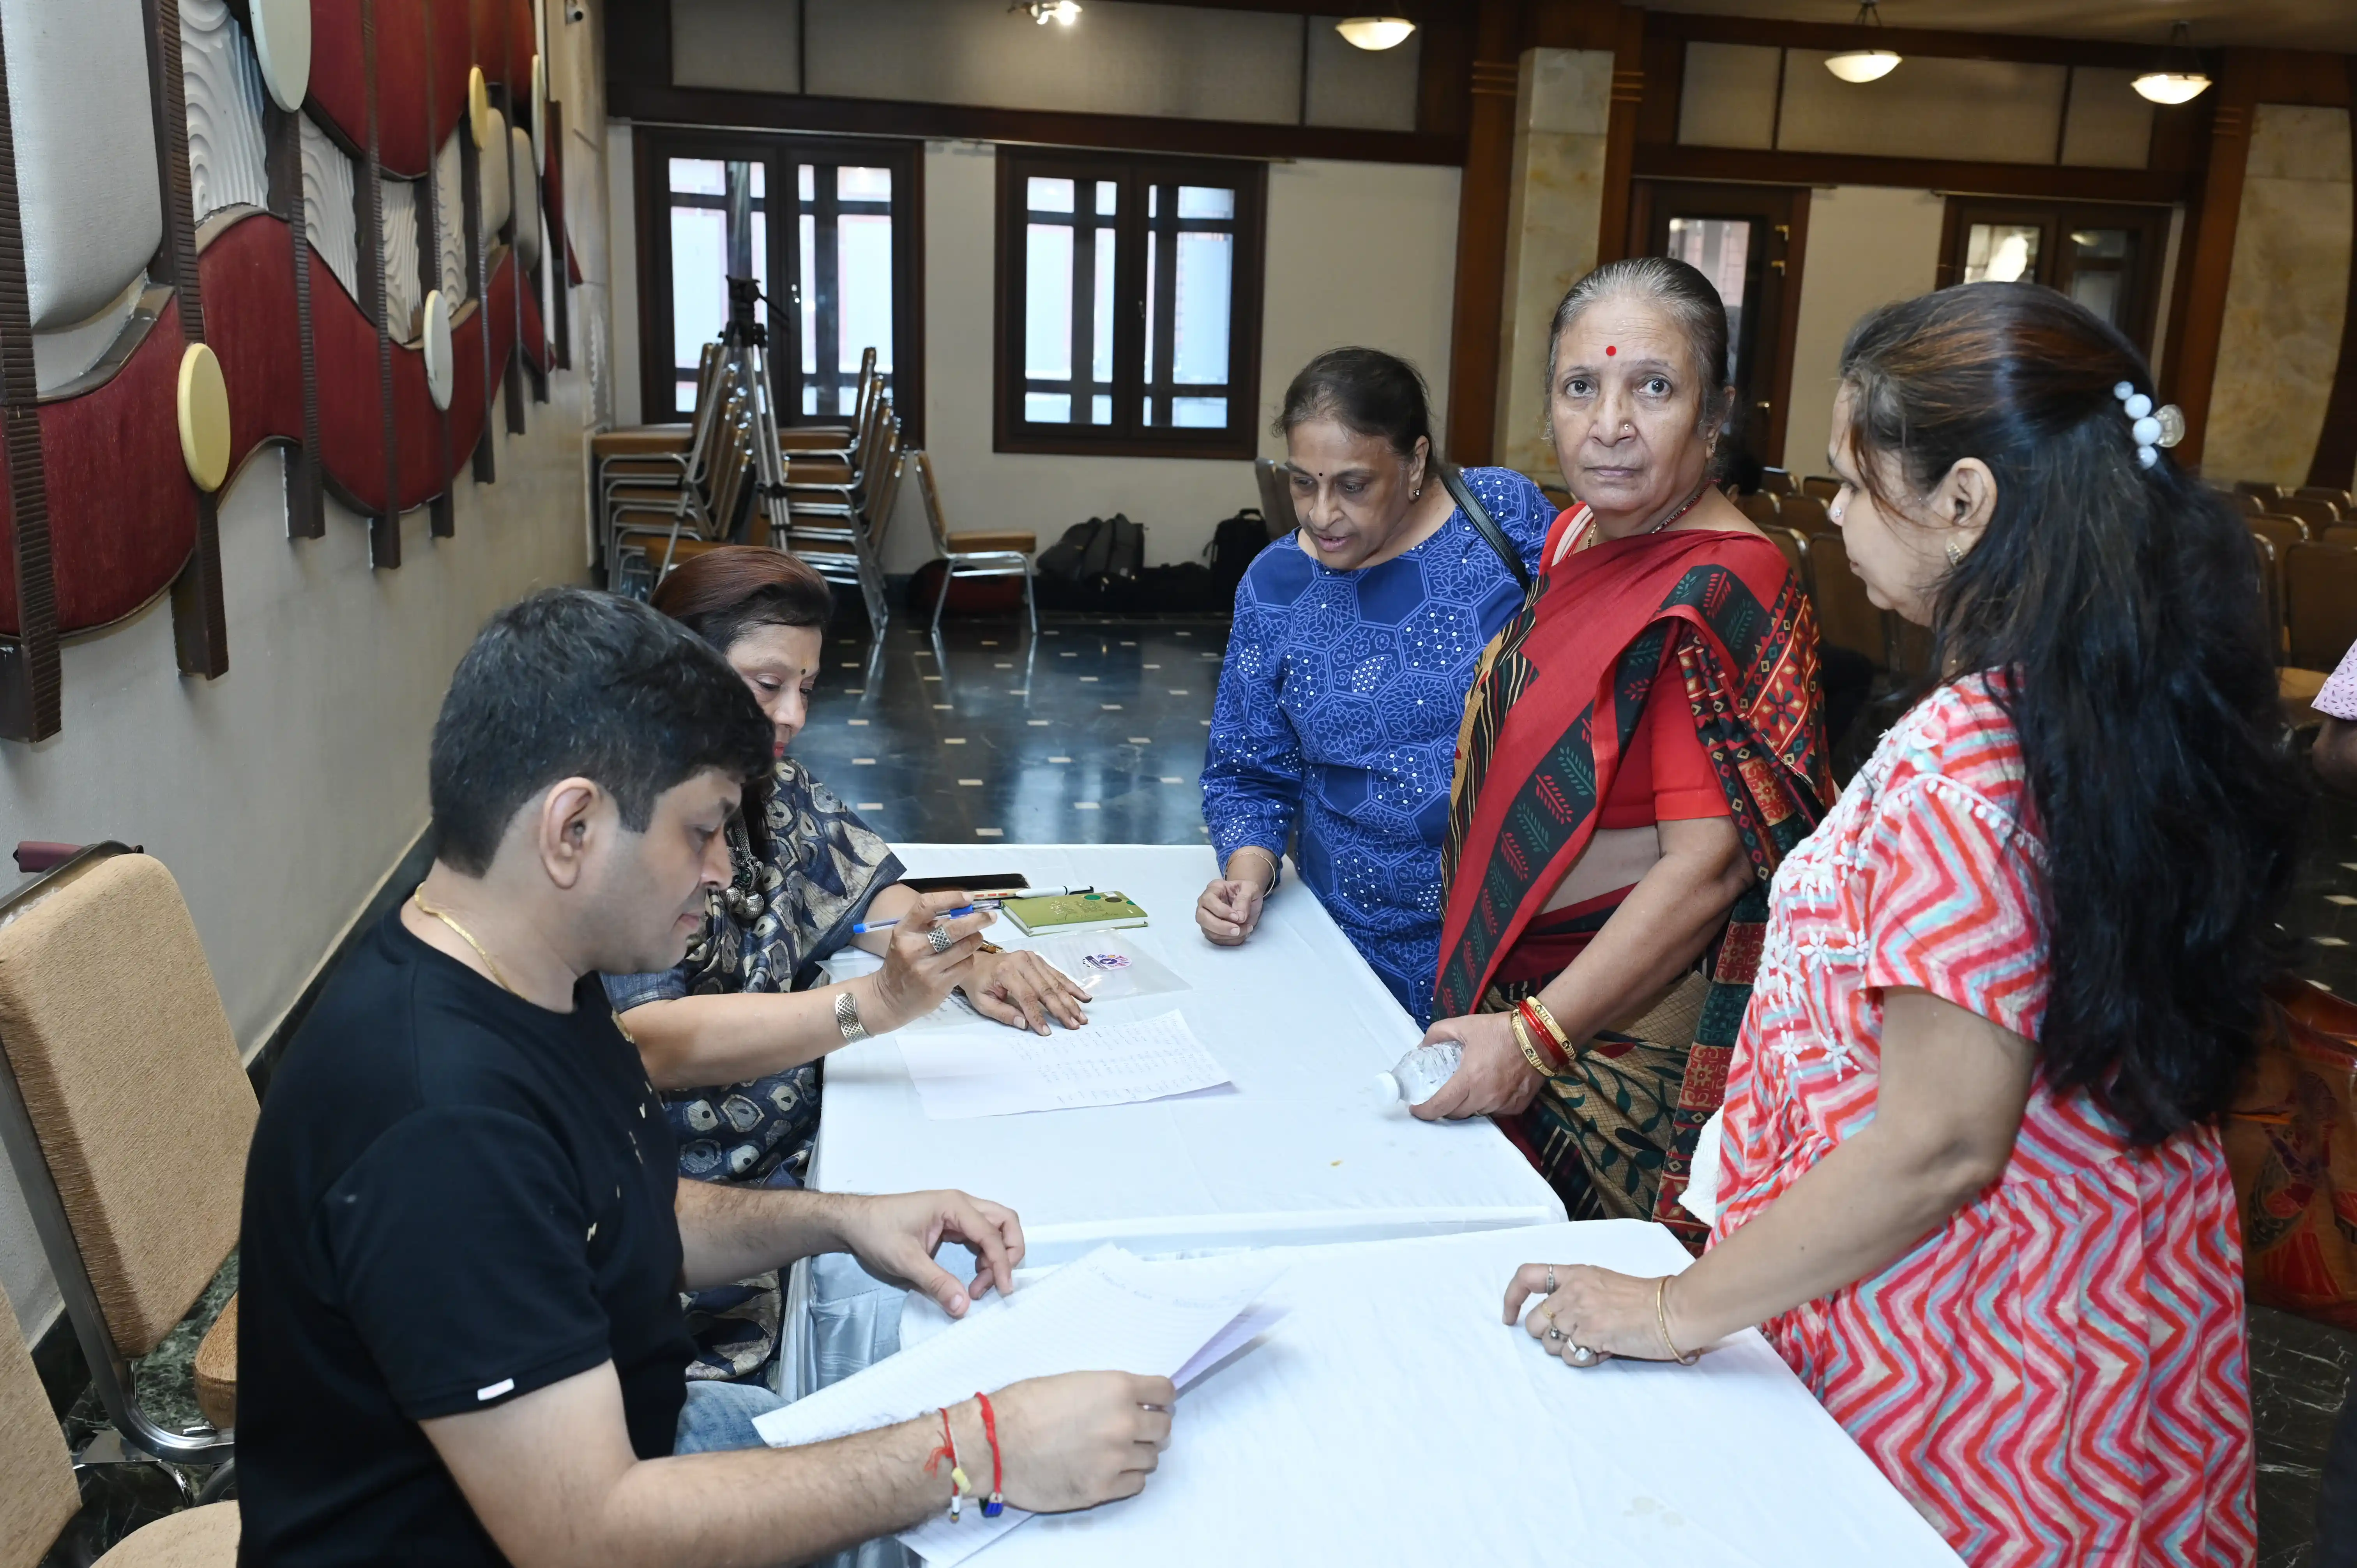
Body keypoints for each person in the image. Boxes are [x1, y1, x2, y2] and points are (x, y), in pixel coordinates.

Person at [1502, 283, 2298, 1567]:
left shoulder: (1963, 758)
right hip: (2109, 1309)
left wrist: (1670, 1307)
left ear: (1965, 504)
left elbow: (1936, 1144)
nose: (1831, 515)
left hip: (1965, 1338)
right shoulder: (2124, 697)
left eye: (1855, 483)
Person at [238, 588, 1173, 1566]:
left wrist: (841, 1218)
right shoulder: (439, 1122)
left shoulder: (528, 974)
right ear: (573, 829)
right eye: (703, 830)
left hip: (640, 1436)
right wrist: (977, 1448)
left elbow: (612, 1213)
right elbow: (588, 1533)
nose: (726, 869)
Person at [1419, 257, 1830, 1244]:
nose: (1610, 423)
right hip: (1510, 1003)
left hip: (1607, 1043)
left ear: (1715, 413)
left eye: (1654, 386)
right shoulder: (1577, 537)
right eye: (1580, 386)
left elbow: (1710, 864)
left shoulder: (1718, 584)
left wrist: (1538, 1036)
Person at [606, 546, 1088, 1381]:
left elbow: (864, 895)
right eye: (766, 685)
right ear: (677, 670)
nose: (790, 714)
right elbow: (650, 1037)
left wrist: (966, 957)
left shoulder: (772, 785)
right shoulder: (627, 821)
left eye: (807, 686)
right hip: (694, 1209)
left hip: (799, 1154)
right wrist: (870, 1004)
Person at [1198, 347, 1557, 1024]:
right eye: (1303, 483)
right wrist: (1246, 878)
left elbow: (1599, 652)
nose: (1322, 513)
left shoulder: (1500, 515)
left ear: (1416, 462)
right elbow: (1248, 773)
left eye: (1354, 485)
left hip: (1514, 942)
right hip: (1352, 943)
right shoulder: (1275, 589)